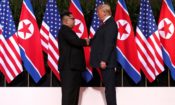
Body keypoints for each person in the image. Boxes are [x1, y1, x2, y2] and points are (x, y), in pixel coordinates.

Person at [58, 11, 89, 105]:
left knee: (73, 95)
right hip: (69, 68)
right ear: (66, 21)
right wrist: (87, 41)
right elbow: (75, 41)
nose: (74, 21)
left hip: (73, 68)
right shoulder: (65, 30)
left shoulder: (68, 31)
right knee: (69, 95)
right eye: (72, 19)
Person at [90, 4, 118, 105]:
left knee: (109, 89)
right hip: (105, 62)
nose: (97, 14)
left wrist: (104, 60)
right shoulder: (105, 24)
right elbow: (96, 40)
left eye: (99, 12)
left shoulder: (111, 24)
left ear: (105, 12)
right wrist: (85, 41)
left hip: (107, 63)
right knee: (108, 88)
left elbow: (109, 43)